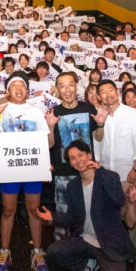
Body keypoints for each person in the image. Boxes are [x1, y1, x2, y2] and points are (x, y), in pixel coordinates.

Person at [36, 140, 136, 271]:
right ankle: (87, 266)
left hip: (108, 243)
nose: (78, 160)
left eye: (80, 155)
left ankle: (101, 263)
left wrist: (101, 171)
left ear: (89, 155)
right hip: (85, 240)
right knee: (55, 251)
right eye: (73, 158)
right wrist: (53, 218)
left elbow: (119, 201)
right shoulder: (73, 186)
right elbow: (74, 218)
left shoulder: (110, 176)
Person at [0, 72, 54, 271]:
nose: (19, 89)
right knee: (8, 211)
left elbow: (48, 143)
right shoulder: (1, 109)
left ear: (27, 90)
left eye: (22, 86)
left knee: (34, 210)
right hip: (9, 167)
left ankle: (37, 252)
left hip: (31, 167)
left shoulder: (35, 111)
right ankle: (5, 252)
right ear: (7, 90)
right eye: (14, 86)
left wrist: (50, 127)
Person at [46, 72, 106, 243]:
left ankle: (90, 249)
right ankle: (63, 250)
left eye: (70, 85)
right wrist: (50, 127)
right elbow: (50, 145)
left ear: (76, 86)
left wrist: (100, 124)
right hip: (63, 172)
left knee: (90, 213)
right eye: (62, 86)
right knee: (63, 214)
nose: (67, 89)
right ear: (57, 90)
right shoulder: (53, 112)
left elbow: (99, 137)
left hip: (88, 172)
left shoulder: (89, 109)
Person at [94, 80, 136, 186]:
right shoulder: (98, 115)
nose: (108, 94)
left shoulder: (132, 114)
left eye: (110, 90)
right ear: (99, 97)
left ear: (117, 92)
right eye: (103, 92)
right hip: (105, 173)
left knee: (130, 202)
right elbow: (97, 143)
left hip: (127, 174)